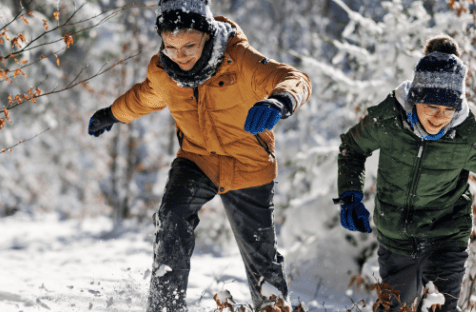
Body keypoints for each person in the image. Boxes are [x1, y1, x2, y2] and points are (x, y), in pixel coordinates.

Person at [86, 0, 310, 310]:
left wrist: (280, 101)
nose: (180, 57)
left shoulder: (240, 60)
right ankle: (166, 306)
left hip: (248, 165)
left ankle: (273, 306)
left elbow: (293, 78)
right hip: (197, 160)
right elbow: (144, 97)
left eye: (189, 47)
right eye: (171, 47)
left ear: (206, 35)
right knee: (172, 216)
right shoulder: (164, 71)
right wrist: (112, 114)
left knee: (261, 256)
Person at [334, 34, 476, 312]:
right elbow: (352, 147)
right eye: (431, 106)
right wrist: (350, 195)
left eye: (448, 109)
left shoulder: (465, 136)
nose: (439, 117)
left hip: (446, 235)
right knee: (395, 308)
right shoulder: (388, 119)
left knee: (441, 308)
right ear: (415, 98)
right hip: (396, 235)